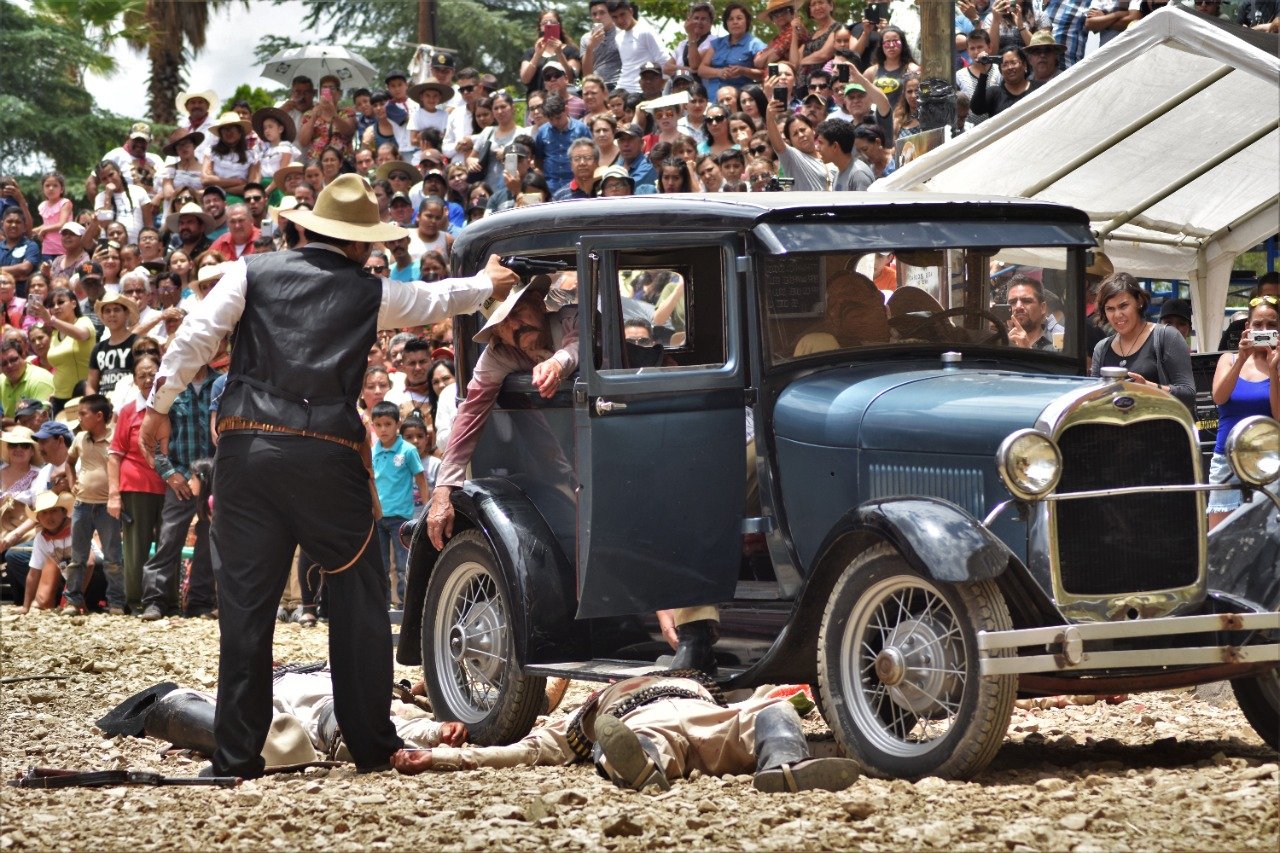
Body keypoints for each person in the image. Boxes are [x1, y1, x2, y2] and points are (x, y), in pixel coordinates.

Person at [137, 173, 518, 780]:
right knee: (360, 596)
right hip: (326, 458)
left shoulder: (250, 271)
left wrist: (159, 405)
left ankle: (236, 757)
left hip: (247, 453)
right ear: (363, 244)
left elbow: (196, 334)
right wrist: (488, 284)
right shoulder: (370, 292)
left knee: (245, 607)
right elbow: (437, 301)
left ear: (307, 227)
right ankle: (371, 743)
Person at [391, 672, 859, 796]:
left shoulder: (698, 679)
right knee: (636, 742)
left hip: (708, 713)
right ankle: (637, 766)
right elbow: (525, 750)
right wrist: (439, 759)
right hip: (642, 722)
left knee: (770, 710)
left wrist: (776, 695)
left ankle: (783, 767)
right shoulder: (587, 712)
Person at [426, 275, 576, 552]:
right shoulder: (500, 353)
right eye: (503, 323)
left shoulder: (570, 318)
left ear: (539, 305)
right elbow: (470, 414)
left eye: (518, 312)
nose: (514, 325)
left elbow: (578, 344)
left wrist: (558, 363)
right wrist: (444, 487)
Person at [1206, 295, 1280, 528]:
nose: (1264, 330)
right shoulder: (1228, 359)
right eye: (1258, 325)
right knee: (1220, 540)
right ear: (1247, 328)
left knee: (1267, 541)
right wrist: (1241, 359)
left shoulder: (1277, 365)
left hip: (1268, 462)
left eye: (1272, 326)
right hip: (1226, 460)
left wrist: (1273, 370)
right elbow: (1219, 397)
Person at [1089, 272, 1195, 412]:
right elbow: (1093, 402)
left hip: (1161, 430)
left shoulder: (1167, 336)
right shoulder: (1101, 349)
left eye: (1123, 306)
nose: (1117, 315)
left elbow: (1188, 395)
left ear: (1139, 301)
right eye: (1110, 309)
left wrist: (1148, 387)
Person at [369, 400, 426, 608]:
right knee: (380, 565)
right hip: (378, 517)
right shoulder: (372, 451)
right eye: (378, 424)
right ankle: (381, 606)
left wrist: (427, 507)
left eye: (388, 424)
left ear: (397, 423)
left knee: (403, 564)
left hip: (401, 517)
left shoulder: (407, 450)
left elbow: (420, 479)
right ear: (373, 426)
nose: (383, 429)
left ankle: (406, 604)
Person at [699, 3, 766, 102]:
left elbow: (765, 73)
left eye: (739, 18)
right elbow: (701, 70)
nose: (735, 22)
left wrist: (743, 71)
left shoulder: (755, 44)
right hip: (713, 100)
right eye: (731, 19)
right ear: (726, 23)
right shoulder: (717, 43)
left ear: (747, 21)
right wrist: (719, 72)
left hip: (739, 102)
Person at [765, 102, 835, 192]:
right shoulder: (792, 157)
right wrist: (770, 118)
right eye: (795, 134)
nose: (801, 135)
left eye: (803, 130)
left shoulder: (829, 152)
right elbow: (778, 145)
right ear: (790, 141)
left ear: (813, 130)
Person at [971, 46, 1042, 117]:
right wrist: (983, 73)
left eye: (1014, 63)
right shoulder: (995, 93)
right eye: (1005, 65)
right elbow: (977, 109)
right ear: (1000, 70)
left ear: (1024, 65)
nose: (1010, 67)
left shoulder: (1040, 88)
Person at [1219, 273, 1279, 351]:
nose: (1275, 302)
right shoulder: (1236, 328)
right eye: (1269, 297)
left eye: (1272, 325)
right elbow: (1218, 359)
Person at [1006, 274, 1064, 351]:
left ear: (1042, 308)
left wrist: (1026, 350)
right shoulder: (1000, 340)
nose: (1018, 306)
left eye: (1026, 301)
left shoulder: (1062, 338)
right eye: (1012, 302)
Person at [814, 119, 874, 191]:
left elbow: (864, 202)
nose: (817, 148)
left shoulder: (858, 175)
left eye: (821, 143)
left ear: (835, 146)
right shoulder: (839, 172)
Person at [0, 339, 54, 417]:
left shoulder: (40, 380)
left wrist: (5, 422)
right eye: (4, 363)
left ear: (24, 356)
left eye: (13, 360)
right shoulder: (2, 380)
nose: (9, 366)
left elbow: (38, 420)